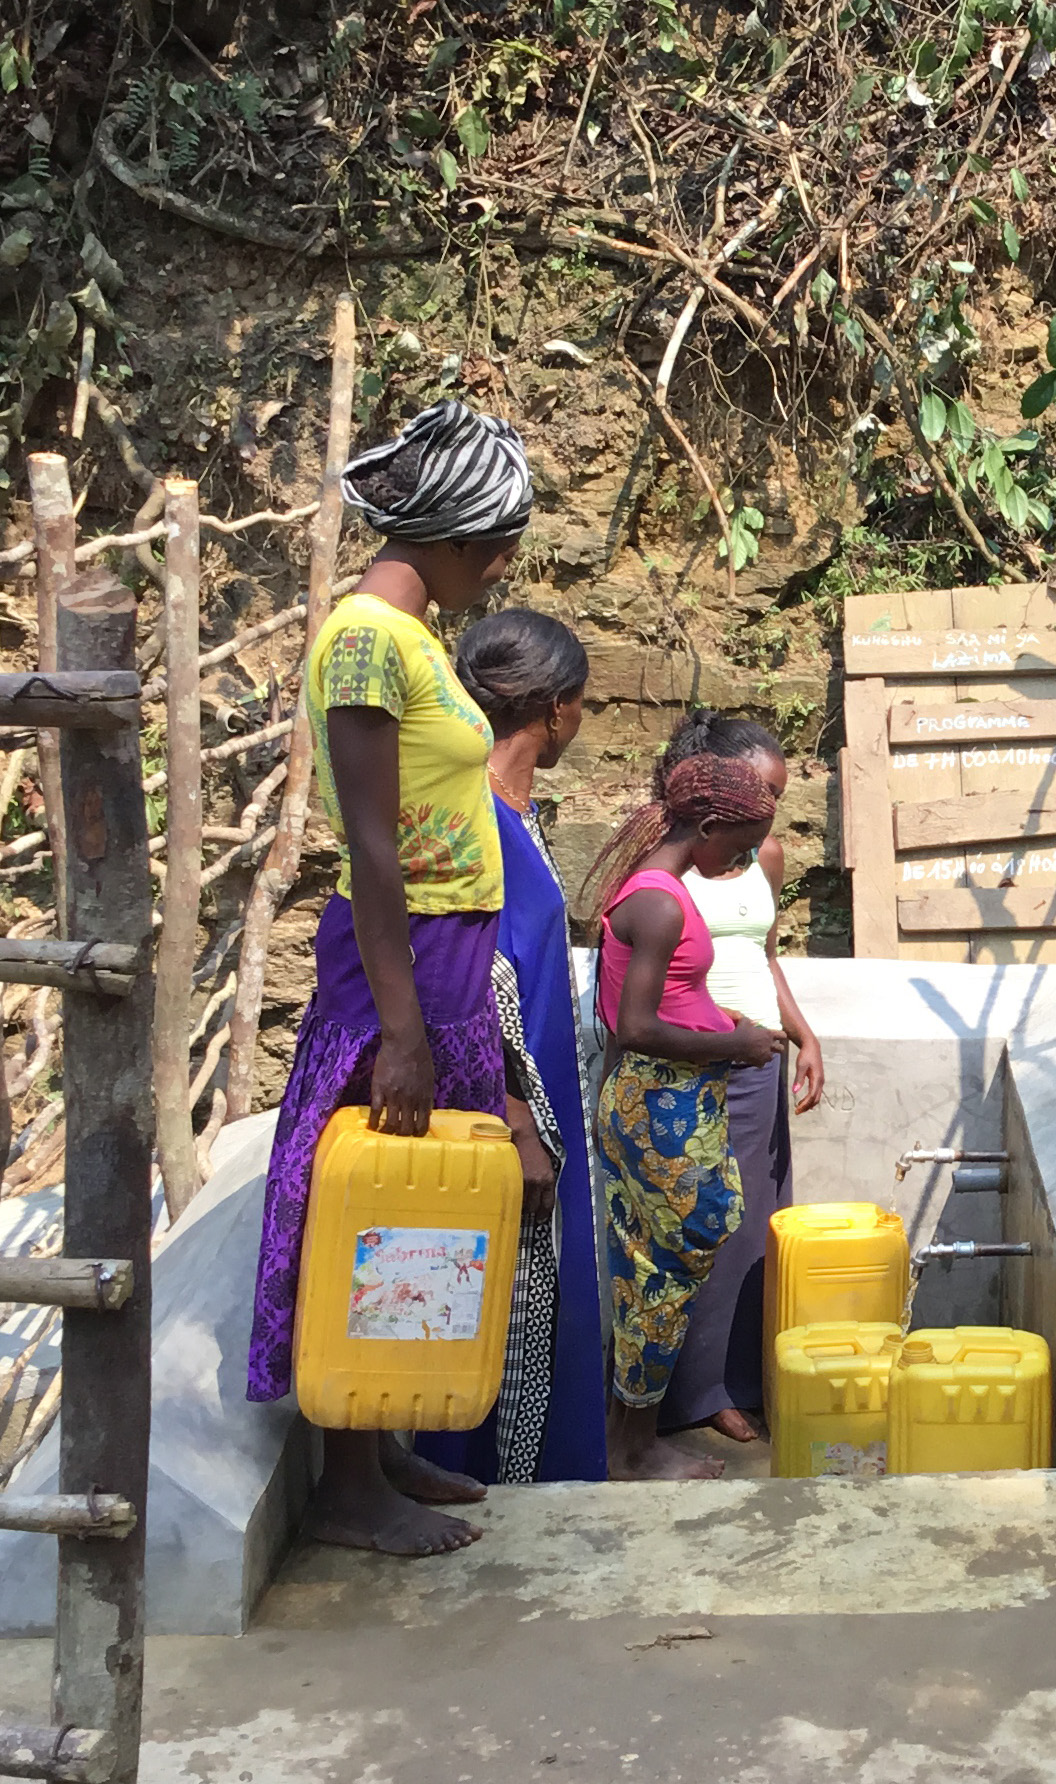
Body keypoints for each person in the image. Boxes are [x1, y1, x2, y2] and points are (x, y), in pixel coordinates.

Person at [244, 403, 558, 1557]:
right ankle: (346, 1480)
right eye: (500, 545)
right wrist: (402, 1031)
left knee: (421, 1206)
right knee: (372, 1204)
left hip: (444, 958)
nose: (503, 566)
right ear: (457, 536)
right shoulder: (369, 641)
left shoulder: (409, 639)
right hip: (405, 958)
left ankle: (382, 1445)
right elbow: (372, 847)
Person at [411, 608, 607, 1485]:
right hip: (504, 1116)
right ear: (554, 709)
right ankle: (503, 1495)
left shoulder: (515, 816)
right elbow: (463, 978)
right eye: (582, 704)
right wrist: (516, 1118)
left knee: (546, 1298)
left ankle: (542, 1485)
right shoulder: (475, 818)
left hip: (546, 1102)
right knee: (506, 1307)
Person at [583, 753, 785, 1479]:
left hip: (666, 1098)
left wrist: (718, 1019)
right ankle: (635, 1447)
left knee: (657, 1264)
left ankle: (627, 1437)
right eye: (737, 848)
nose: (739, 864)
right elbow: (635, 1025)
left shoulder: (655, 891)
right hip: (661, 1102)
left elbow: (665, 1000)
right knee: (662, 1272)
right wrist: (734, 1043)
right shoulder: (662, 903)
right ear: (704, 828)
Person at [656, 715, 825, 1448]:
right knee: (699, 1226)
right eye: (760, 792)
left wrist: (804, 1034)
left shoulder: (767, 858)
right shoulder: (671, 863)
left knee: (754, 1223)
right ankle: (690, 1393)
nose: (769, 812)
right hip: (696, 1059)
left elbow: (763, 955)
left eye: (779, 798)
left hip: (761, 1061)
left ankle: (739, 1383)